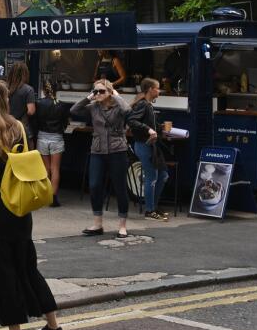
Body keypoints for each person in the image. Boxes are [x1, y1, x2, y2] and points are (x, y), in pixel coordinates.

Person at [0, 81, 66, 330]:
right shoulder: (18, 128)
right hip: (21, 209)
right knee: (28, 269)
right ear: (5, 100)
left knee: (3, 275)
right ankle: (53, 327)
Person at [72, 78, 132, 238]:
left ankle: (122, 226)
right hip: (98, 150)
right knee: (94, 185)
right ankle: (97, 224)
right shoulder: (93, 107)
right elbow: (74, 110)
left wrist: (116, 96)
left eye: (101, 91)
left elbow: (128, 110)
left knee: (120, 187)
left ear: (110, 92)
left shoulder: (118, 107)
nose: (98, 94)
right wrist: (88, 97)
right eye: (95, 91)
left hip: (117, 150)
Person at [128, 78, 169, 221]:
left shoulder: (148, 105)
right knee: (152, 177)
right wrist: (149, 129)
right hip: (143, 145)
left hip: (151, 145)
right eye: (157, 88)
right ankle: (149, 211)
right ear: (150, 89)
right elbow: (132, 120)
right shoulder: (143, 105)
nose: (159, 90)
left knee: (163, 175)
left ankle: (153, 207)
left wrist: (161, 128)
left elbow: (149, 123)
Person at [35, 81, 71, 207]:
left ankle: (44, 196)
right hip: (57, 138)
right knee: (55, 169)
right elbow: (66, 122)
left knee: (45, 169)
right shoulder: (61, 105)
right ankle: (53, 198)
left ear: (43, 90)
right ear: (57, 91)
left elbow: (35, 120)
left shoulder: (38, 103)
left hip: (42, 137)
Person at [6, 61, 36, 146]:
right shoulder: (28, 89)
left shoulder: (4, 87)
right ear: (25, 74)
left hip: (6, 129)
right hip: (23, 130)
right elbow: (31, 111)